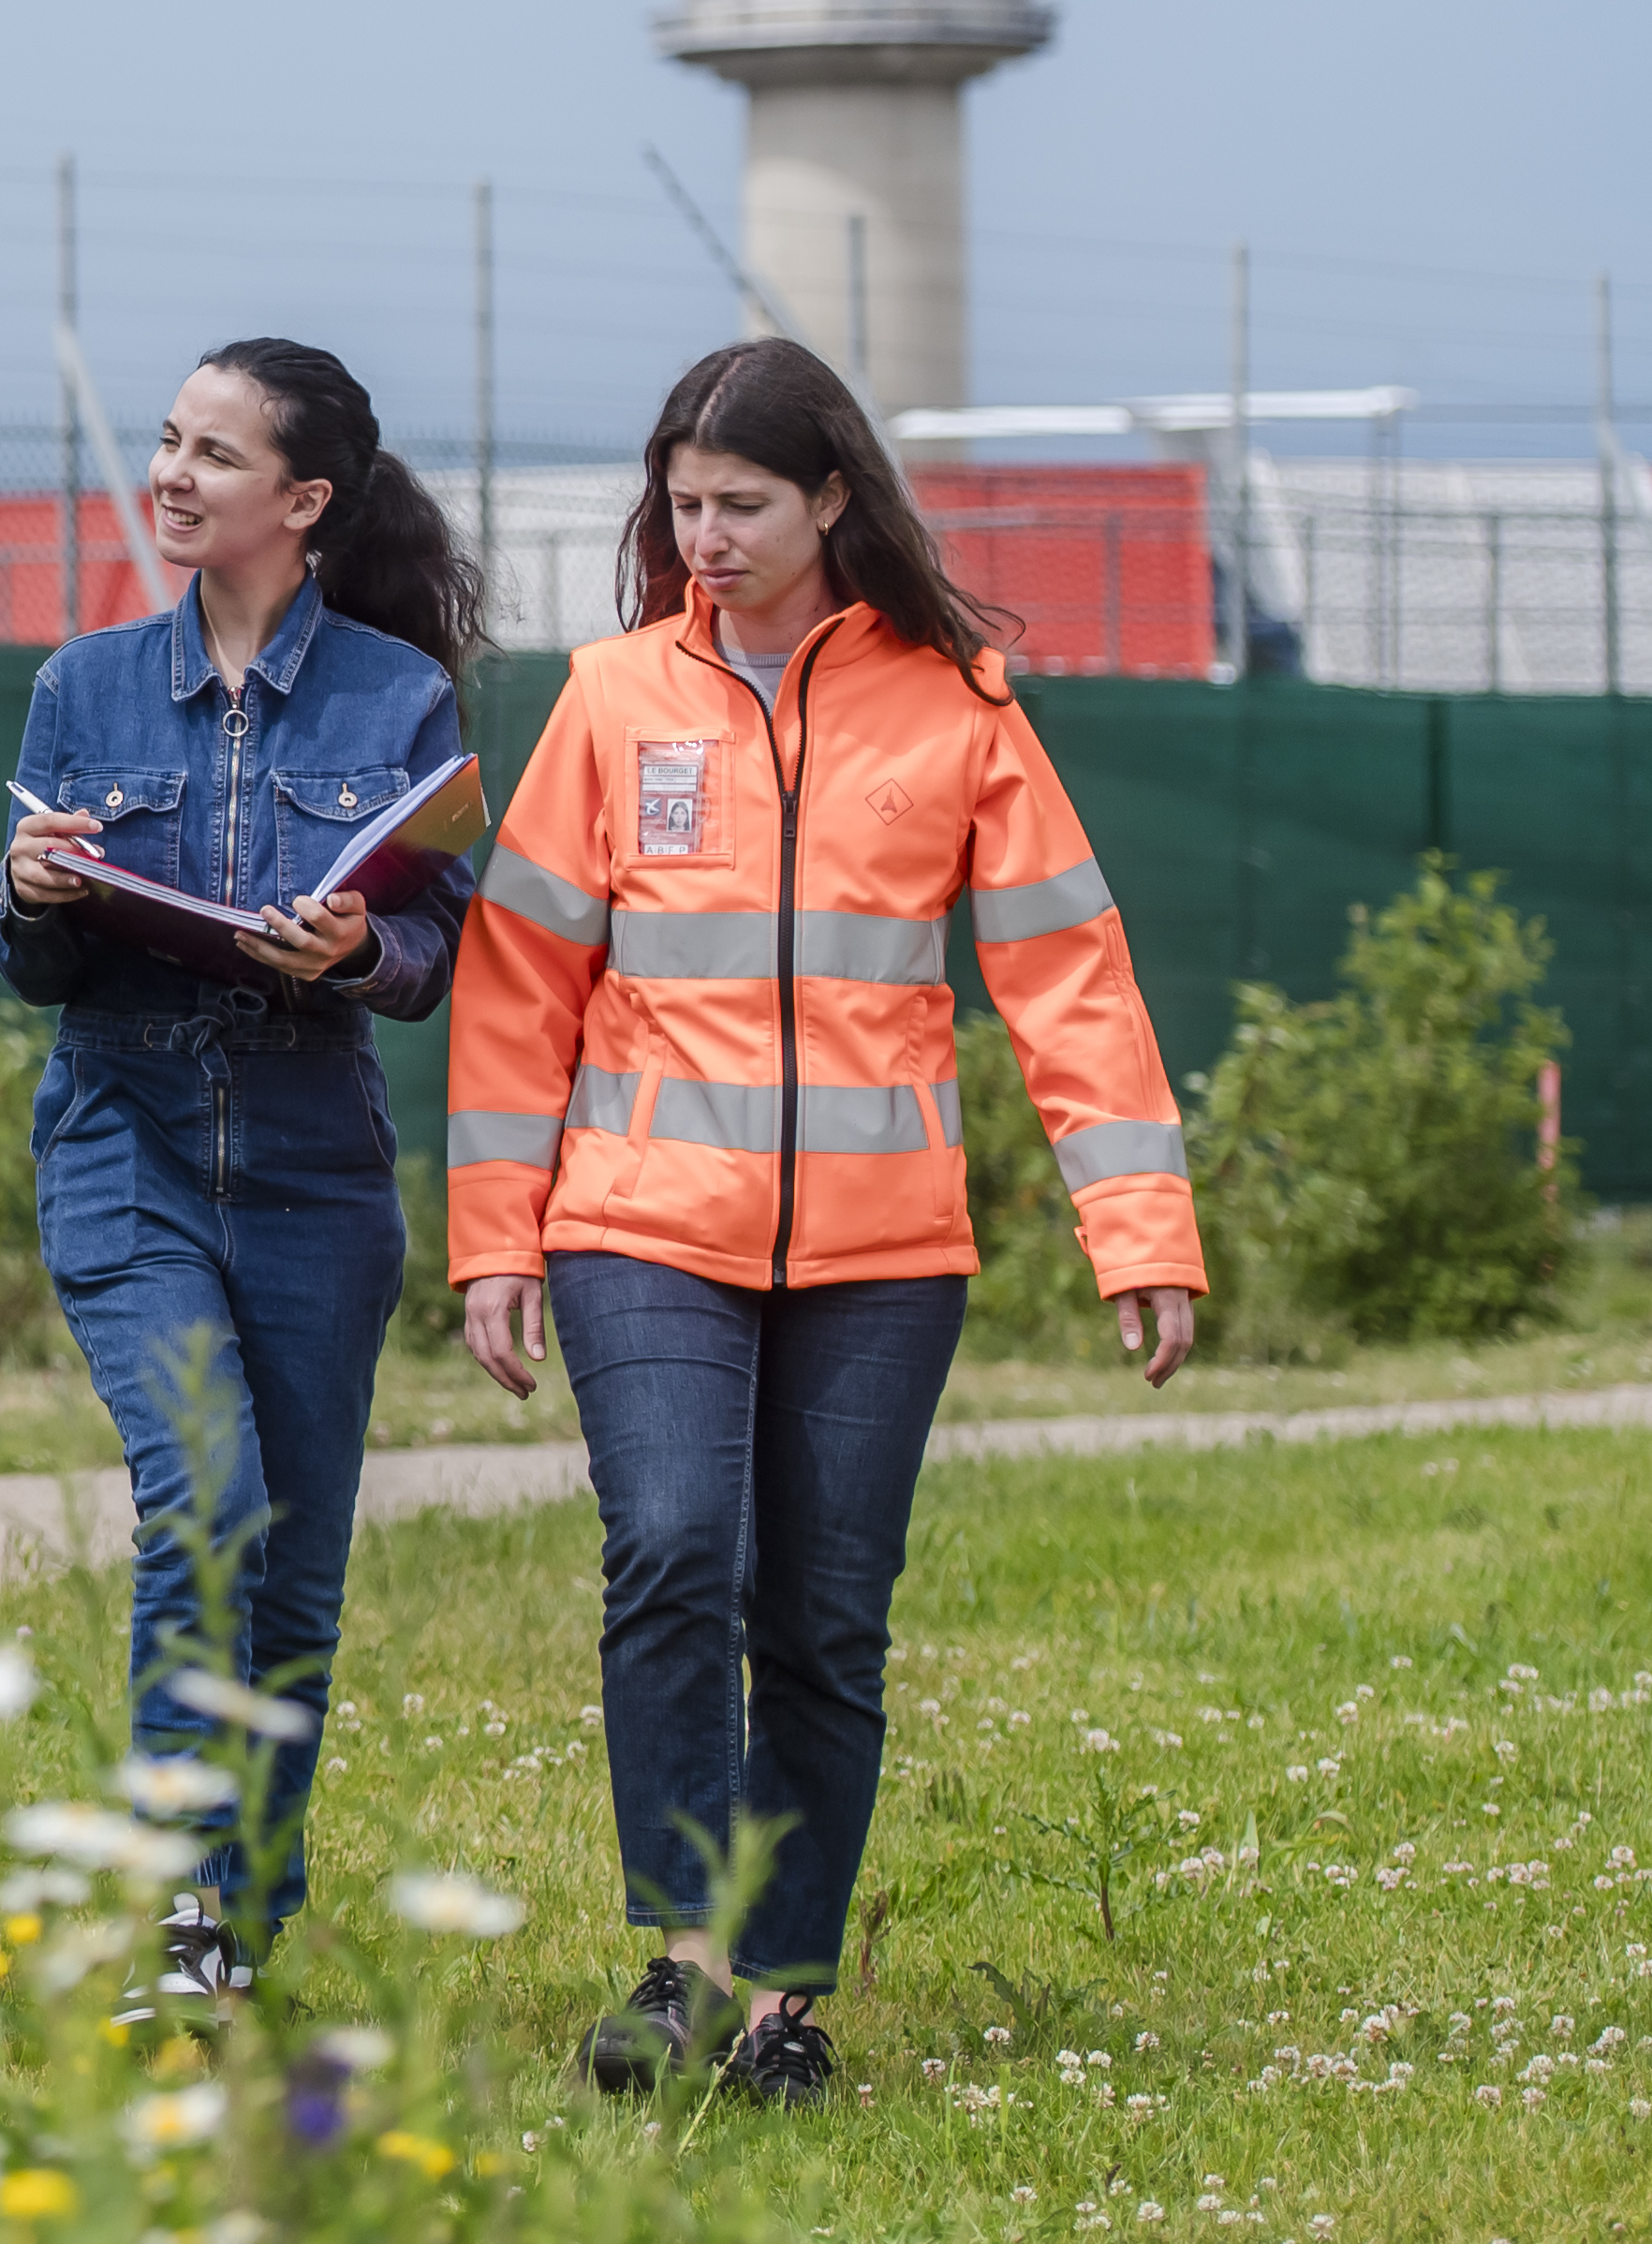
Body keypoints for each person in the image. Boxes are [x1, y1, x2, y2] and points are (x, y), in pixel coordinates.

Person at [445, 334, 1202, 2109]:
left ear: (833, 500)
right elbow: (516, 986)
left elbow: (1071, 982)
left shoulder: (961, 705)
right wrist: (496, 1232)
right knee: (677, 1549)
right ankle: (685, 1960)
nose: (700, 535)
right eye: (681, 503)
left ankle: (786, 2002)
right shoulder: (614, 701)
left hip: (884, 1259)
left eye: (740, 504)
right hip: (640, 1227)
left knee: (827, 1621)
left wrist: (1141, 1229)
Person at [0, 339, 482, 2019]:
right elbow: (30, 965)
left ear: (305, 499)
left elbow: (434, 941)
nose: (174, 475)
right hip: (124, 1151)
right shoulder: (85, 687)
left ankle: (244, 1917)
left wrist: (356, 946)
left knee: (295, 1569)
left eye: (216, 453)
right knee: (204, 1505)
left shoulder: (397, 699)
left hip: (312, 1172)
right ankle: (183, 1907)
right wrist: (34, 895)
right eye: (169, 441)